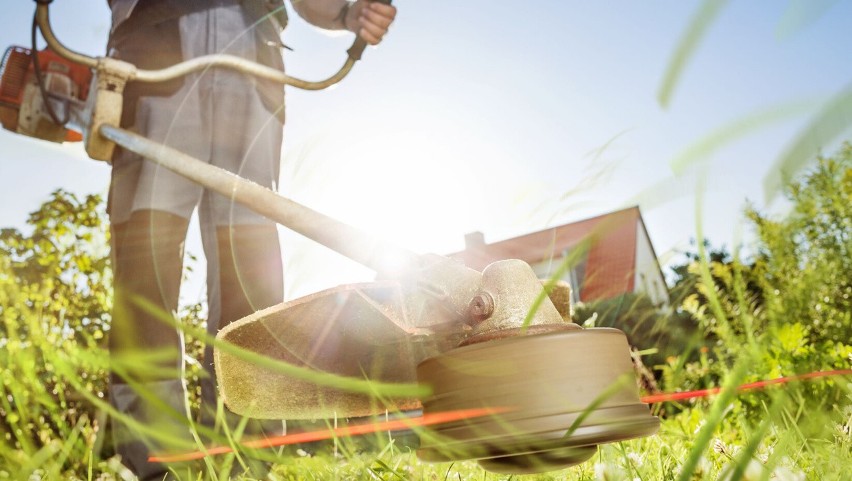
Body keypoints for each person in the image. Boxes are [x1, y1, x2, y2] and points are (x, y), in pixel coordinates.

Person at [104, 0, 397, 479]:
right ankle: (159, 467)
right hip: (155, 60)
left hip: (253, 63)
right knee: (145, 275)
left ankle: (245, 463)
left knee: (251, 280)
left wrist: (346, 14)